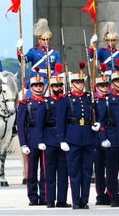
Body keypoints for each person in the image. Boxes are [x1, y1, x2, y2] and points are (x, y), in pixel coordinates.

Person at [56, 61, 97, 209]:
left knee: (86, 172)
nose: (80, 85)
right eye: (77, 83)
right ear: (72, 84)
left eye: (81, 82)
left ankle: (84, 201)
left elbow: (94, 116)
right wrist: (62, 139)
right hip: (72, 138)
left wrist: (96, 124)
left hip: (87, 137)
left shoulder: (88, 98)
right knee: (74, 173)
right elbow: (60, 121)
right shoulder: (65, 100)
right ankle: (75, 201)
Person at [35, 64, 71, 208]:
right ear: (51, 88)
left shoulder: (66, 101)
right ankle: (50, 200)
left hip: (64, 140)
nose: (58, 88)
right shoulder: (45, 102)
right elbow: (40, 124)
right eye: (55, 86)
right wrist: (40, 140)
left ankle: (61, 200)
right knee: (49, 172)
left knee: (63, 172)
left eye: (60, 86)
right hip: (49, 139)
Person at [97, 58, 119, 207]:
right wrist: (103, 138)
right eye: (118, 81)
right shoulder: (107, 99)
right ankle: (113, 195)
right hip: (112, 135)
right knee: (112, 170)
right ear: (113, 83)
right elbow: (101, 122)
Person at [17, 67, 46, 206]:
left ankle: (45, 195)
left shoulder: (47, 102)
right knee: (32, 171)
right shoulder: (25, 103)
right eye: (36, 85)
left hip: (45, 139)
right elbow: (20, 125)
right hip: (31, 138)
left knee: (46, 170)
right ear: (31, 87)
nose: (39, 88)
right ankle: (33, 196)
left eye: (41, 85)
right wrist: (23, 143)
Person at [16, 18, 62, 95]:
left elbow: (58, 67)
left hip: (50, 80)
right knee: (25, 96)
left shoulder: (55, 53)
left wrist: (54, 77)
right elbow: (24, 60)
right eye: (43, 40)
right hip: (36, 80)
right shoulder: (33, 51)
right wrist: (19, 50)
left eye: (47, 39)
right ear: (39, 40)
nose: (46, 41)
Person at [93, 64, 111, 205]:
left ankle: (111, 192)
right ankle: (100, 194)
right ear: (97, 86)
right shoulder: (93, 101)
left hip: (111, 138)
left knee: (111, 169)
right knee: (99, 170)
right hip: (97, 140)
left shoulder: (112, 99)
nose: (105, 88)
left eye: (107, 85)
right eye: (102, 85)